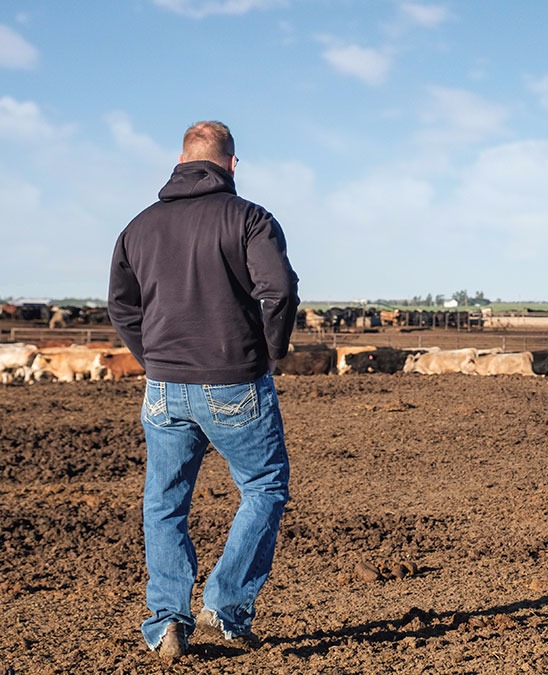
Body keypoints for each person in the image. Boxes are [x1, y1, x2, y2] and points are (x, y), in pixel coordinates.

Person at [108, 120, 300, 662]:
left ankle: (168, 620)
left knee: (164, 504)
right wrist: (271, 351)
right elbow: (279, 290)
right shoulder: (249, 218)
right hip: (233, 382)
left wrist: (152, 359)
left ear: (180, 160)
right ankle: (225, 606)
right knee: (264, 487)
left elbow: (121, 307)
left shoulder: (138, 227)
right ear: (231, 164)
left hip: (163, 389)